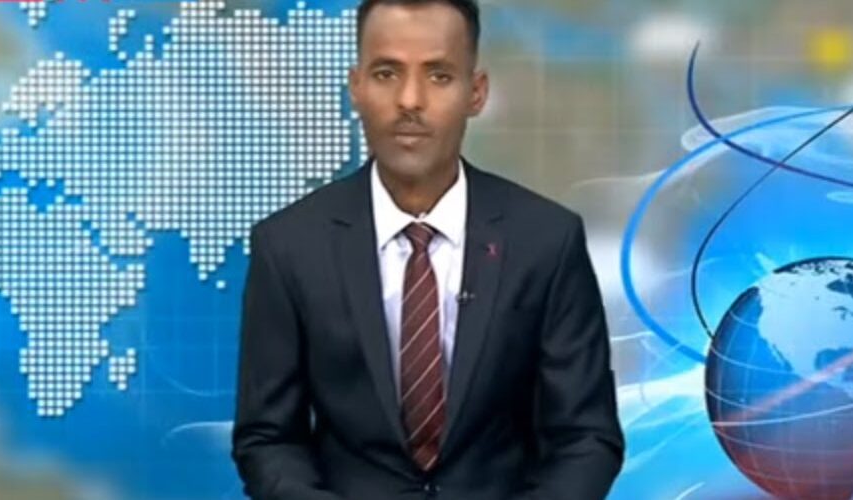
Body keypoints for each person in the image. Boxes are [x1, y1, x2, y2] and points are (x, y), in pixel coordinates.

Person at [230, 0, 624, 498]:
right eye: (386, 73)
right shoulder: (288, 246)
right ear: (355, 87)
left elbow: (586, 439)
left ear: (476, 92)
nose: (410, 100)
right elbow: (268, 439)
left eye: (438, 76)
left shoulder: (547, 240)